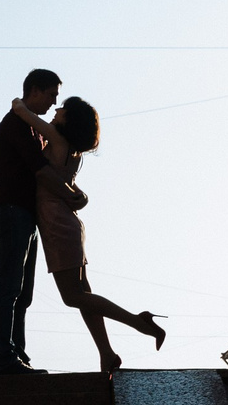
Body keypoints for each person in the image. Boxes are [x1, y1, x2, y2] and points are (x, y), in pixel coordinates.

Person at [8, 94, 165, 374]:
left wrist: (19, 104)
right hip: (68, 224)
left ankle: (138, 322)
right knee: (83, 293)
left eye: (62, 109)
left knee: (72, 297)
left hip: (57, 225)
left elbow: (25, 115)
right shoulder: (73, 152)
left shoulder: (57, 139)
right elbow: (70, 187)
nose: (56, 109)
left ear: (69, 119)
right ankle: (107, 353)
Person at [0, 68, 60, 374]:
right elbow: (40, 169)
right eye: (51, 95)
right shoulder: (17, 123)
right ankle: (5, 358)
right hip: (11, 210)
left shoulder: (28, 124)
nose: (54, 103)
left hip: (23, 214)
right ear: (35, 90)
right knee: (10, 285)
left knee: (22, 291)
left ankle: (16, 354)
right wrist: (71, 195)